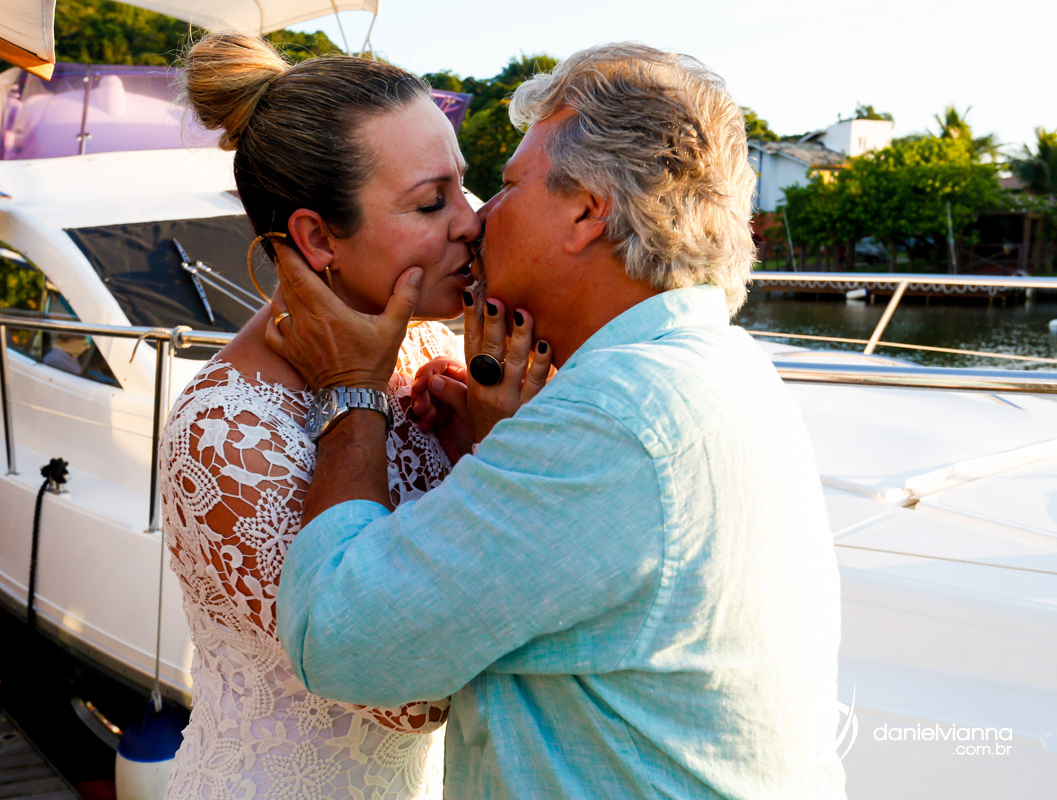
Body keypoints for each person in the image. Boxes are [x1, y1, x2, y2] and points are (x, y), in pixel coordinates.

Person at [266, 43, 847, 798]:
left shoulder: (614, 418)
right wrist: (496, 447)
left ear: (586, 211)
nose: (479, 219)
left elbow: (335, 641)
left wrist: (351, 389)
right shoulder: (729, 370)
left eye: (507, 186)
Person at [156, 32, 505, 800]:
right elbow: (413, 698)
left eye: (464, 186)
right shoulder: (228, 436)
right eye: (432, 202)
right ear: (317, 238)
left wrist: (481, 437)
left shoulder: (421, 342)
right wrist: (494, 465)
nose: (472, 222)